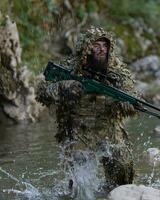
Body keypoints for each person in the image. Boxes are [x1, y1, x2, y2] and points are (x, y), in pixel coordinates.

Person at [36, 27, 137, 191]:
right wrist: (63, 87)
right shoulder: (69, 67)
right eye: (97, 45)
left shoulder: (116, 71)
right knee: (79, 185)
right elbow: (42, 93)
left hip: (109, 127)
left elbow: (132, 97)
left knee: (123, 173)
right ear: (85, 48)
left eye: (105, 46)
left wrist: (127, 104)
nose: (102, 49)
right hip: (78, 129)